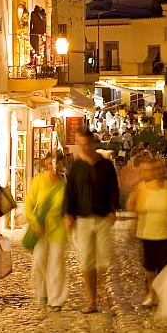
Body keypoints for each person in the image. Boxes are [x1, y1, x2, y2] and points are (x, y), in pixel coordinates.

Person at [63, 129, 119, 313]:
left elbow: (113, 188)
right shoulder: (77, 167)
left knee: (103, 260)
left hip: (102, 217)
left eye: (85, 143)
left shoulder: (105, 166)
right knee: (86, 261)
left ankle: (103, 294)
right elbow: (69, 191)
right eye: (79, 144)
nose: (82, 147)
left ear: (92, 143)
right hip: (82, 219)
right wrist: (67, 214)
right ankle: (92, 299)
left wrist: (112, 209)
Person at [128, 158, 167, 306]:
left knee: (165, 267)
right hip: (147, 232)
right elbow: (131, 204)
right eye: (153, 169)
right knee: (150, 267)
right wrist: (138, 216)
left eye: (159, 169)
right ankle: (152, 294)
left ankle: (164, 295)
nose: (156, 172)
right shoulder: (142, 187)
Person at [25, 152, 68, 310]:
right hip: (41, 227)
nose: (53, 167)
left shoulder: (63, 184)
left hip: (58, 228)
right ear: (46, 165)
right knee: (39, 260)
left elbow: (67, 206)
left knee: (57, 263)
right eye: (50, 163)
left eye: (56, 163)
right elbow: (29, 205)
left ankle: (56, 299)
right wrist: (34, 223)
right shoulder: (38, 181)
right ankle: (42, 291)